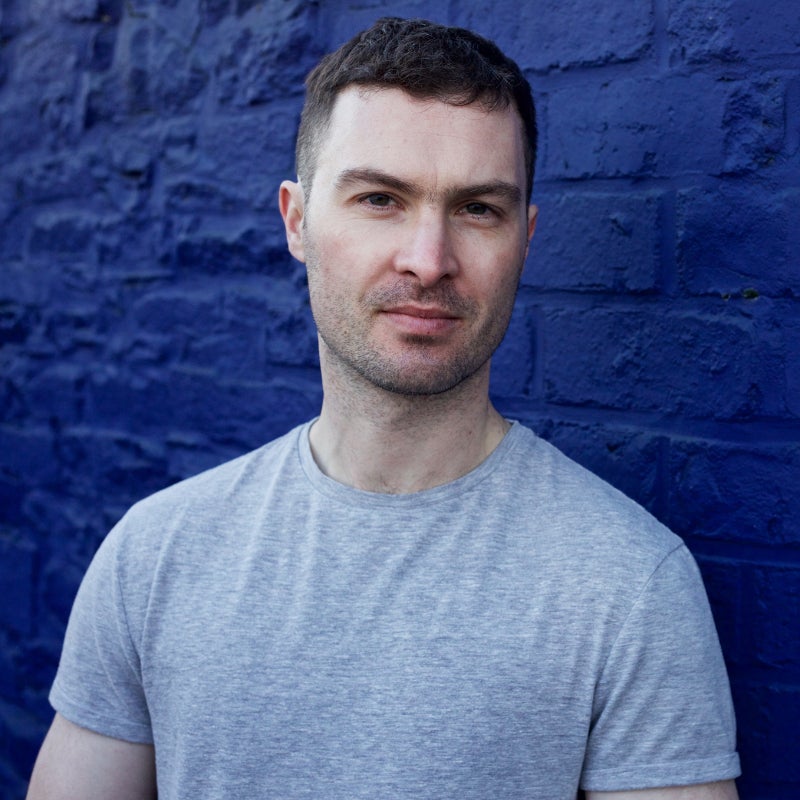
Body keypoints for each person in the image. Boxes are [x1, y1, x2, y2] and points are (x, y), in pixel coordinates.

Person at [27, 17, 741, 800]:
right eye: (379, 198)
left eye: (478, 209)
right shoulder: (155, 556)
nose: (429, 261)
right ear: (297, 221)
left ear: (526, 238)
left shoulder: (629, 587)